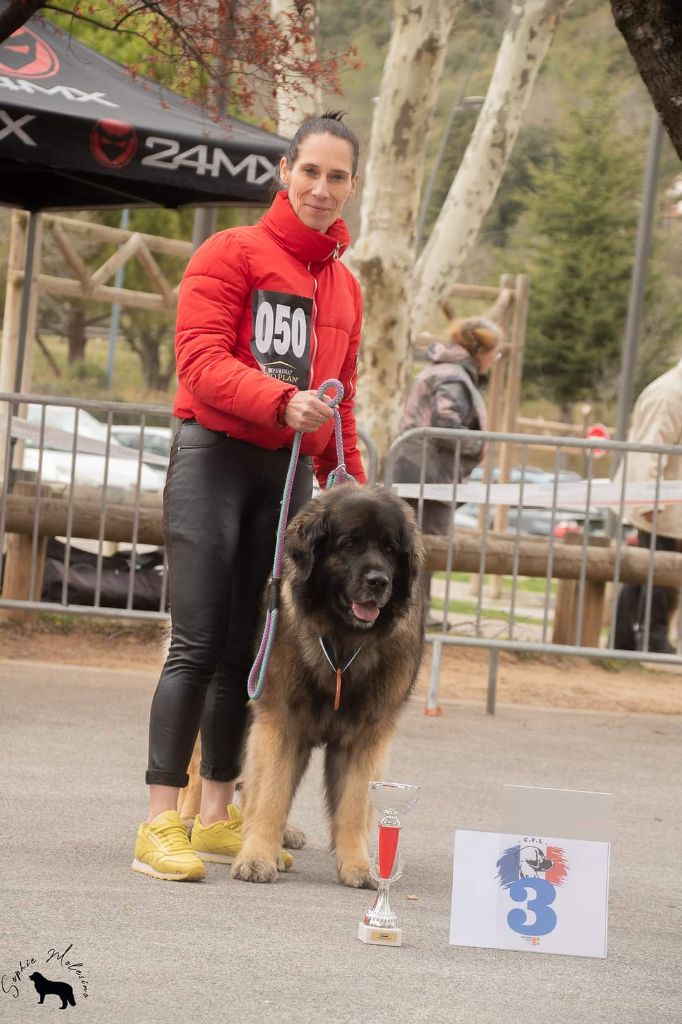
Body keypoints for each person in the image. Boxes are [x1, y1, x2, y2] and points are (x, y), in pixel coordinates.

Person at [131, 111, 366, 882]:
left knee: (248, 651)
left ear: (352, 185)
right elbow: (198, 361)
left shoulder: (346, 287)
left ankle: (215, 815)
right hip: (213, 458)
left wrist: (351, 484)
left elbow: (345, 398)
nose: (322, 188)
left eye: (338, 176)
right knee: (197, 641)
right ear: (284, 173)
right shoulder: (230, 252)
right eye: (310, 171)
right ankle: (160, 821)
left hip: (288, 473)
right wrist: (277, 401)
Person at [392, 316, 501, 625]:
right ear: (482, 351)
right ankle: (414, 618)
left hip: (421, 473)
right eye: (496, 354)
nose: (495, 361)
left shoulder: (445, 371)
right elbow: (444, 424)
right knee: (428, 547)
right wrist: (478, 444)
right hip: (428, 477)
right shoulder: (454, 377)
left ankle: (414, 614)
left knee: (420, 547)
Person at [614, 358, 682, 655]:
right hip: (661, 502)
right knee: (657, 572)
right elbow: (651, 450)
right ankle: (649, 637)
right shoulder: (669, 394)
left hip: (668, 499)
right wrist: (649, 501)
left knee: (647, 572)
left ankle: (628, 639)